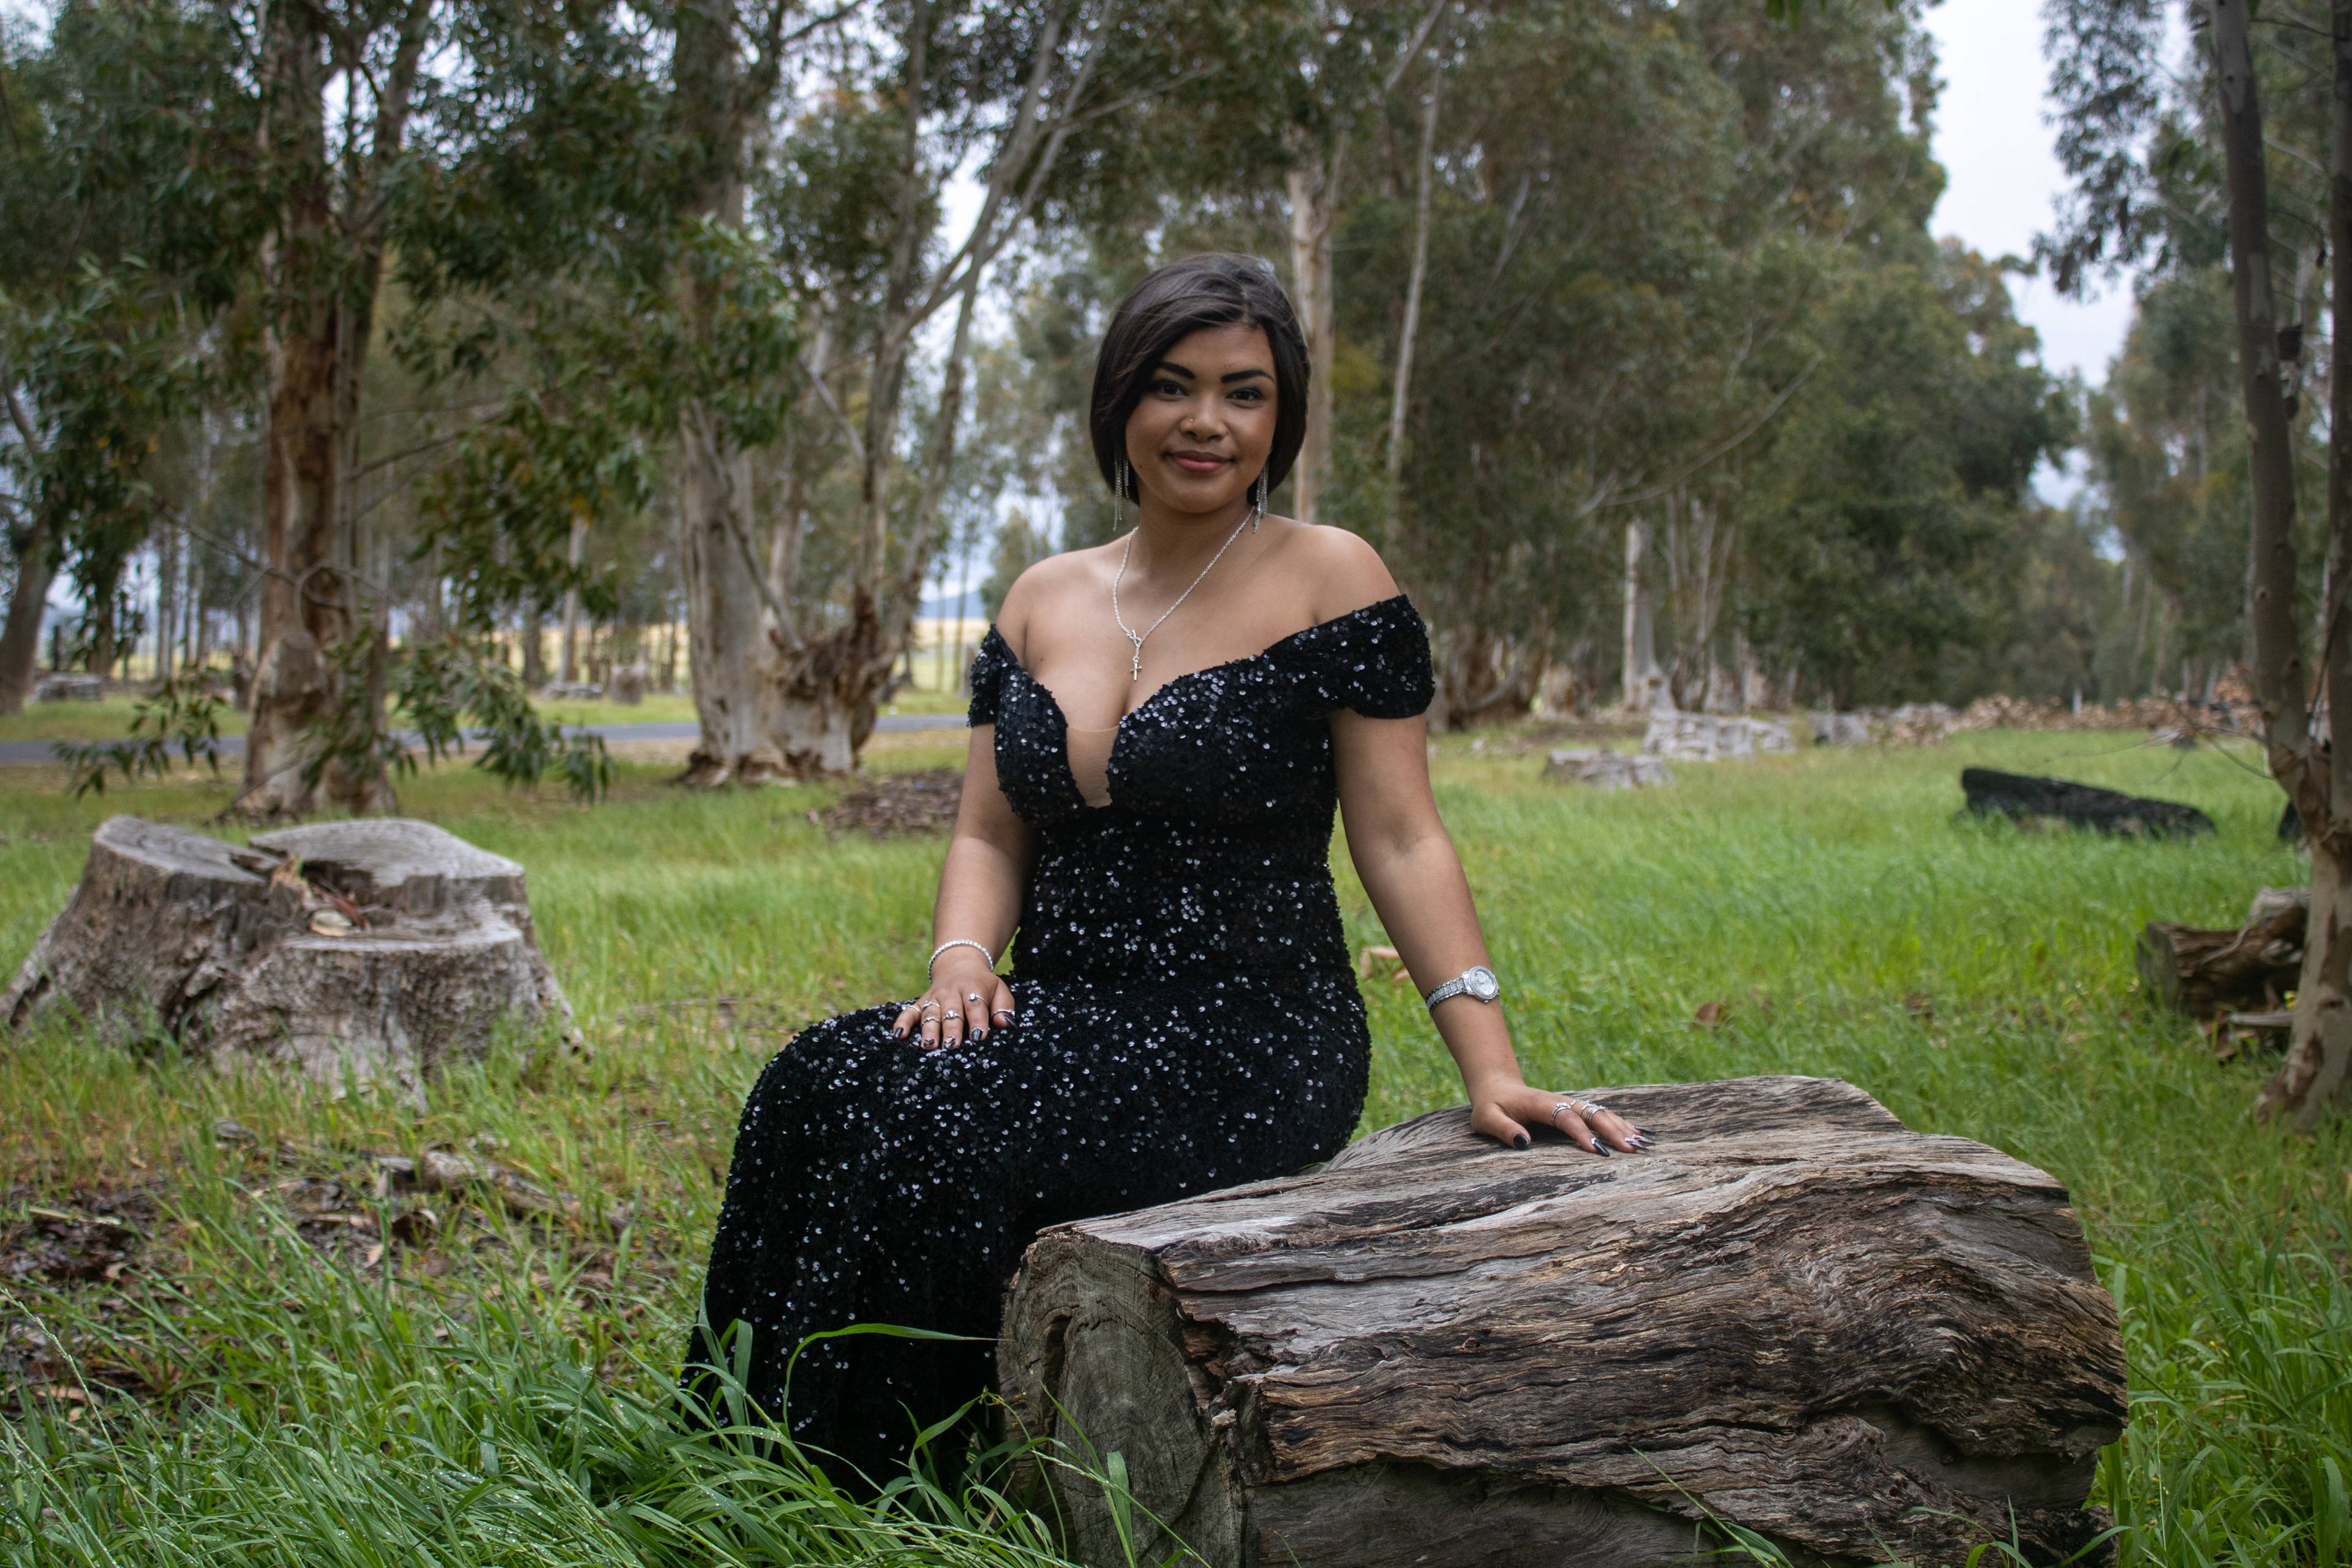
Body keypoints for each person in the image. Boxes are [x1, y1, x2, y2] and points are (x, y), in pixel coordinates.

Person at [683, 252, 1649, 1487]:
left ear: (1281, 418)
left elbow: (1402, 835)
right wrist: (962, 958)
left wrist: (1492, 1065)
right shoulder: (1041, 598)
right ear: (1120, 403)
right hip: (1060, 1006)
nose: (1207, 421)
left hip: (1248, 1034)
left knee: (942, 1117)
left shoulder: (1332, 575)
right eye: (1173, 385)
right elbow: (987, 833)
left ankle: (904, 1483)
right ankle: (747, 1454)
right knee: (817, 1077)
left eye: (1245, 393)